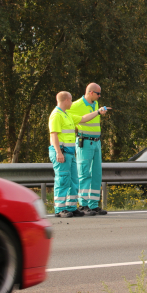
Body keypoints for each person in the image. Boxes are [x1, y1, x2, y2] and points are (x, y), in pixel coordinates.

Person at [50, 91, 106, 218]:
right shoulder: (56, 115)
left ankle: (71, 207)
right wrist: (58, 152)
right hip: (62, 152)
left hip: (70, 152)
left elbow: (83, 118)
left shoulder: (67, 115)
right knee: (62, 180)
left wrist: (98, 112)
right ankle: (59, 209)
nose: (72, 102)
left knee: (74, 180)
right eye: (70, 100)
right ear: (65, 100)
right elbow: (53, 135)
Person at [68, 84, 111, 216]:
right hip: (85, 142)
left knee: (96, 174)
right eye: (98, 94)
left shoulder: (95, 105)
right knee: (84, 173)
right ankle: (83, 204)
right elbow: (66, 118)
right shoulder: (76, 105)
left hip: (97, 142)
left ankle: (93, 204)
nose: (99, 96)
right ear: (90, 92)